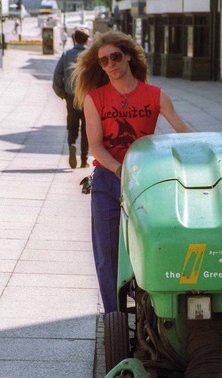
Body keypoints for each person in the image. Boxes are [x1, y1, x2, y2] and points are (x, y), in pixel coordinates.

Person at [72, 30, 192, 314]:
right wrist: (118, 169)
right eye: (104, 61)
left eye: (115, 57)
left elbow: (183, 131)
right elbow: (97, 147)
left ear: (127, 55)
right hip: (108, 179)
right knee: (108, 252)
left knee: (155, 244)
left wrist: (212, 150)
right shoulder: (95, 98)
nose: (110, 64)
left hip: (147, 180)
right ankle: (114, 314)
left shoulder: (156, 96)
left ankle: (153, 308)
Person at [53, 27, 90, 169]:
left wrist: (62, 93)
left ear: (74, 39)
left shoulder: (66, 54)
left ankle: (72, 144)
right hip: (88, 98)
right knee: (87, 129)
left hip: (71, 97)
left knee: (72, 126)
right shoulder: (91, 56)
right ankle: (84, 160)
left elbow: (57, 75)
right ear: (87, 40)